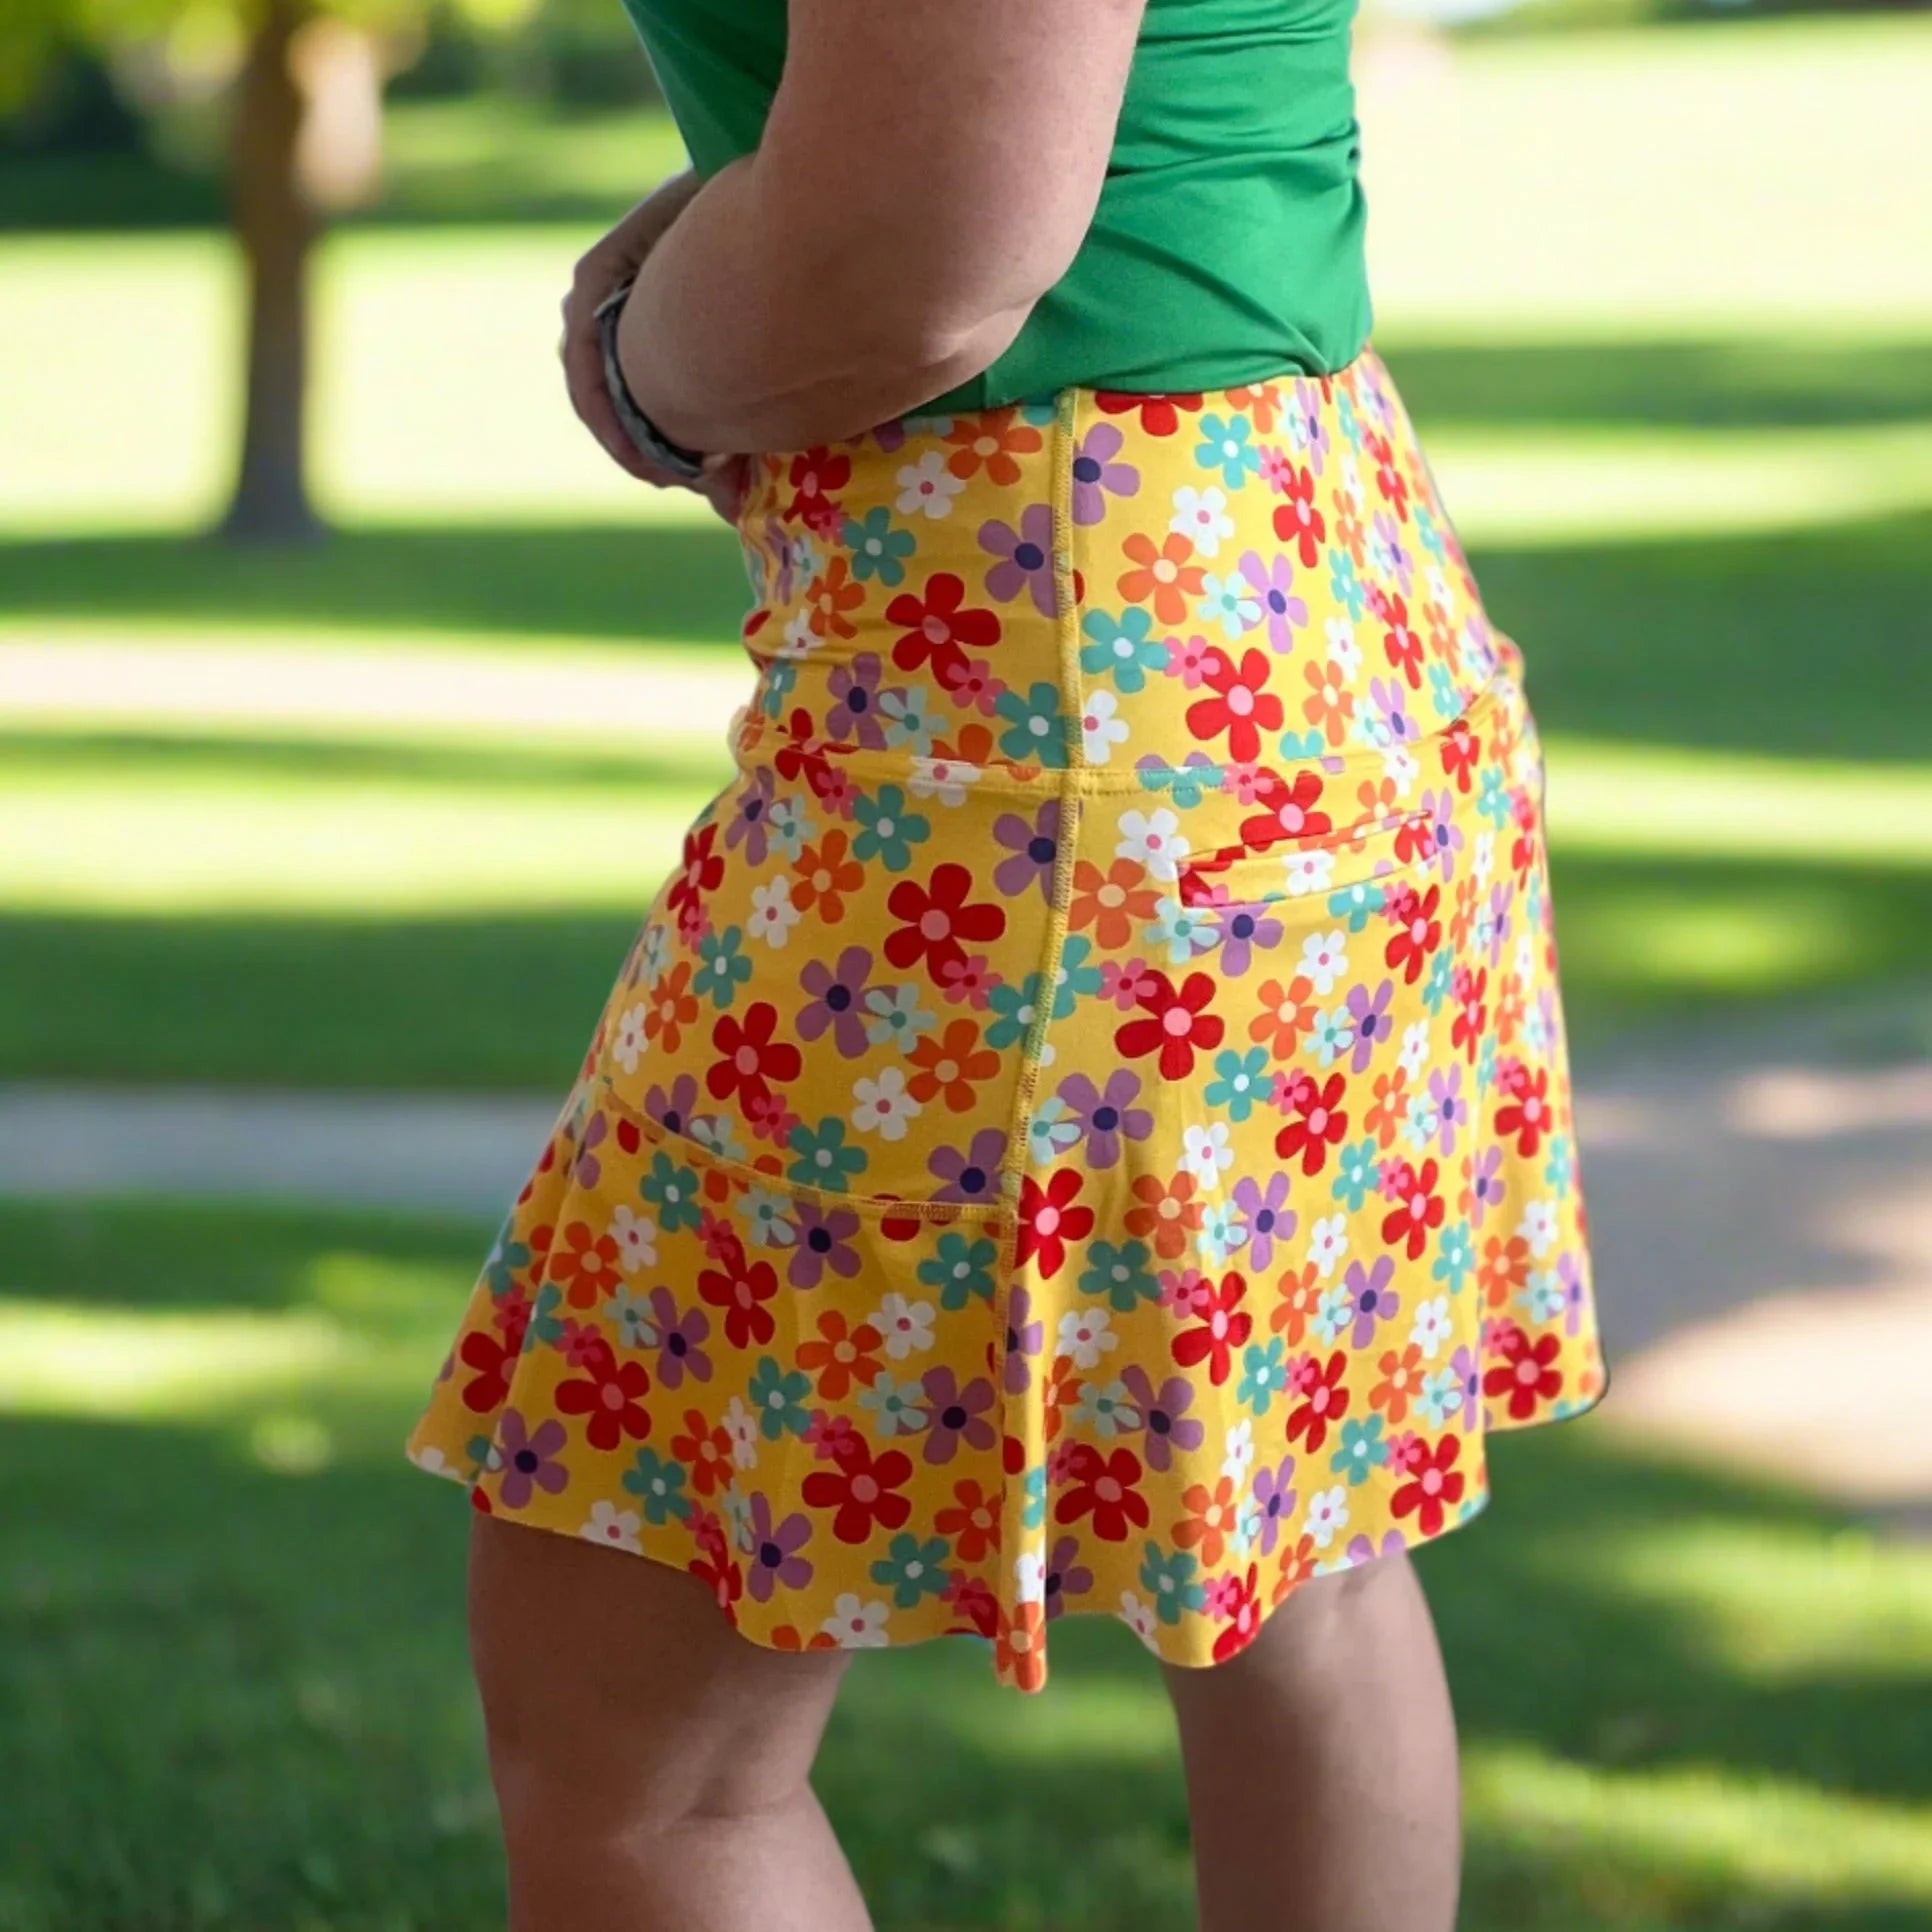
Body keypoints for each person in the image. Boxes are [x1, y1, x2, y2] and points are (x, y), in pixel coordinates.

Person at [406, 1, 1609, 1925]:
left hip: (1057, 686)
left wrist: (635, 359)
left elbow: (932, 248)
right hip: (1298, 593)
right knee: (1302, 1559)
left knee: (636, 1721)